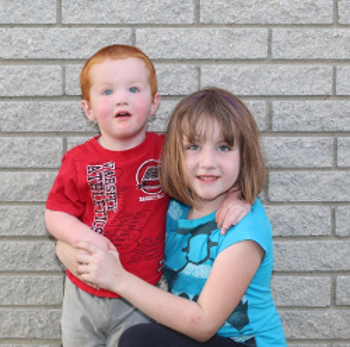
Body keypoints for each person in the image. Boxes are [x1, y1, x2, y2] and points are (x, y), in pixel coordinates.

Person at [45, 44, 250, 347]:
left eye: (133, 89)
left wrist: (236, 195)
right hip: (84, 290)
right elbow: (56, 213)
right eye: (107, 92)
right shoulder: (78, 160)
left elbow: (209, 169)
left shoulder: (166, 151)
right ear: (87, 108)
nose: (121, 99)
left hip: (140, 294)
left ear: (154, 103)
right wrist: (83, 239)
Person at [75, 87, 287, 347]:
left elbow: (204, 323)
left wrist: (118, 279)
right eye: (194, 146)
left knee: (140, 339)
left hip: (243, 343)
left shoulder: (244, 225)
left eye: (223, 147)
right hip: (193, 339)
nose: (207, 162)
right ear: (175, 152)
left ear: (245, 156)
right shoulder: (173, 206)